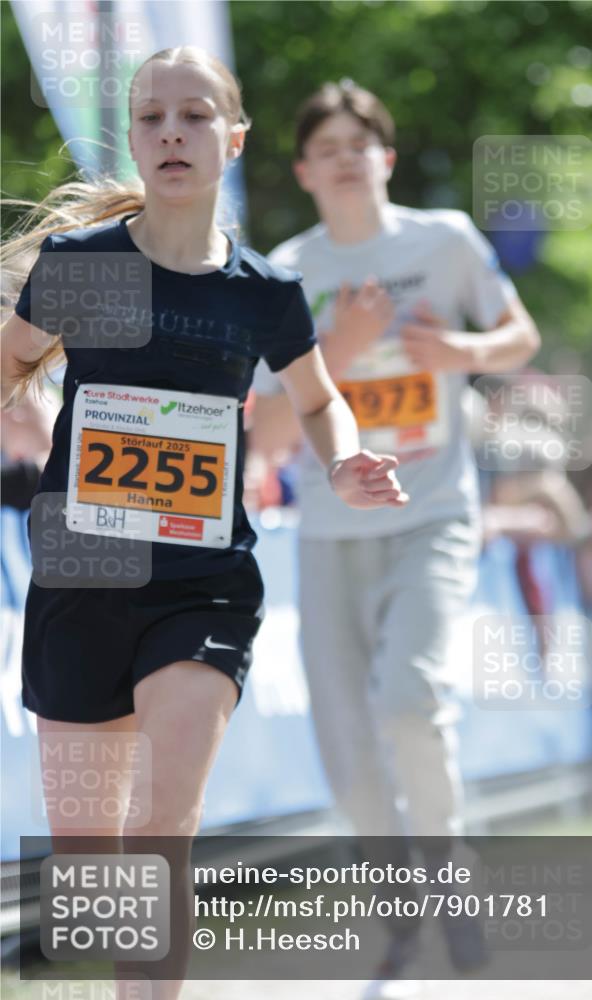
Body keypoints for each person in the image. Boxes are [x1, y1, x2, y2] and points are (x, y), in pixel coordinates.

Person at [0, 50, 407, 1000]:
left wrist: (343, 457)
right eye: (151, 118)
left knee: (165, 819)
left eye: (194, 116)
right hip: (83, 575)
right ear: (136, 140)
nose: (171, 133)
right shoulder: (79, 268)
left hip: (203, 581)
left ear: (233, 139)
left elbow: (315, 400)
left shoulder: (261, 292)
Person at [250, 80, 541, 996]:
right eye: (325, 144)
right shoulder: (283, 271)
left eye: (359, 141)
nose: (343, 155)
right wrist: (340, 347)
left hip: (433, 515)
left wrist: (460, 355)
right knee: (348, 753)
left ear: (385, 158)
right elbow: (265, 432)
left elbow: (519, 337)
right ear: (302, 170)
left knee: (410, 702)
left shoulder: (443, 239)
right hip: (332, 535)